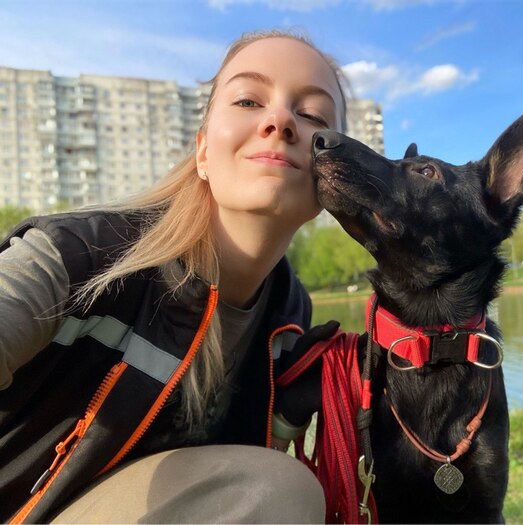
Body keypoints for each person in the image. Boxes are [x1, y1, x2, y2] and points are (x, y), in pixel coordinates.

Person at [0, 29, 347, 524]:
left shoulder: (291, 313)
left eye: (313, 114)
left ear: (332, 181)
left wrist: (286, 419)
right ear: (203, 152)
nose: (280, 121)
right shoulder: (77, 256)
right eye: (249, 100)